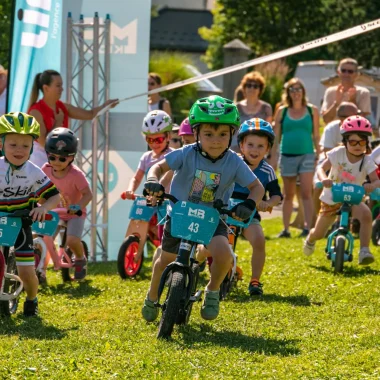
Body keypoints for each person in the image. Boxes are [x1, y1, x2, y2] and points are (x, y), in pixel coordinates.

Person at [141, 95, 264, 322]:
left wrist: (249, 203)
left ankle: (213, 290)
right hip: (179, 214)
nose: (215, 140)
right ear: (196, 134)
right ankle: (151, 295)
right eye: (208, 134)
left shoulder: (235, 161)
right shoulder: (187, 153)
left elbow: (256, 187)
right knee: (164, 260)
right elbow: (158, 167)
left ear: (231, 135)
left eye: (222, 134)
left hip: (213, 218)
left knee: (224, 255)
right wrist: (152, 180)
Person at [0, 112, 60, 316]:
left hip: (22, 223)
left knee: (27, 271)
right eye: (13, 144)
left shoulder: (34, 172)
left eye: (25, 146)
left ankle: (32, 299)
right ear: (2, 145)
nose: (19, 150)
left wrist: (43, 208)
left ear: (33, 147)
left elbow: (55, 196)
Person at [303, 115, 379, 265]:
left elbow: (375, 179)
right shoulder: (337, 153)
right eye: (353, 141)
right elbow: (321, 168)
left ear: (367, 142)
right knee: (319, 232)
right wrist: (323, 178)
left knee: (366, 216)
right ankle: (311, 238)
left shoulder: (367, 160)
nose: (358, 145)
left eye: (362, 141)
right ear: (345, 141)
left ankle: (364, 250)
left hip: (355, 197)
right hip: (332, 196)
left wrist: (372, 185)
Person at [232, 118, 282, 296]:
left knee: (259, 240)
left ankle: (255, 280)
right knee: (207, 245)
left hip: (249, 214)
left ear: (268, 149)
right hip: (224, 211)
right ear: (241, 145)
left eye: (261, 146)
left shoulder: (267, 170)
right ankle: (197, 261)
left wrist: (268, 203)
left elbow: (277, 195)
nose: (255, 150)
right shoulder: (231, 162)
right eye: (250, 144)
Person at [27, 69, 117, 167]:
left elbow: (90, 114)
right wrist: (58, 123)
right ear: (46, 88)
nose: (62, 89)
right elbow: (44, 143)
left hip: (59, 158)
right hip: (41, 160)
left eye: (61, 85)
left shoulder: (63, 107)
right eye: (58, 86)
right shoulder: (35, 111)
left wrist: (106, 105)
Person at [122, 110, 173, 266]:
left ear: (168, 137)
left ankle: (167, 253)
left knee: (165, 231)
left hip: (167, 201)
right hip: (149, 199)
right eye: (150, 139)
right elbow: (137, 177)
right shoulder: (146, 157)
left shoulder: (172, 156)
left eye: (158, 139)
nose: (154, 143)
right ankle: (136, 250)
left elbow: (167, 177)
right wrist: (130, 189)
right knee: (140, 221)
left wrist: (160, 192)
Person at [270, 78, 320, 238]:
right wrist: (273, 155)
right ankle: (286, 229)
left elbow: (316, 136)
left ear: (303, 92)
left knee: (306, 192)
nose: (296, 92)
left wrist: (319, 154)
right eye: (293, 89)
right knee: (288, 194)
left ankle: (307, 227)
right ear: (288, 92)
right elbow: (275, 136)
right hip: (287, 156)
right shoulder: (282, 111)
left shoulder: (312, 110)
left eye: (299, 89)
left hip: (307, 155)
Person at [42, 128, 93, 282]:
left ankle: (79, 258)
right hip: (54, 212)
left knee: (71, 240)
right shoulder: (45, 170)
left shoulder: (76, 175)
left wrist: (78, 206)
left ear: (71, 158)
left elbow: (88, 195)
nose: (56, 162)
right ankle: (41, 271)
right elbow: (40, 190)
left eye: (62, 159)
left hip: (73, 213)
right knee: (44, 239)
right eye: (53, 157)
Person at [313, 102, 359, 216]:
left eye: (357, 115)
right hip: (332, 164)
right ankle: (315, 220)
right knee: (318, 186)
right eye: (351, 116)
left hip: (354, 165)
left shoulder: (361, 129)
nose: (357, 118)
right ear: (340, 117)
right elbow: (327, 152)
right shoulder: (331, 128)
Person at [231, 71, 273, 152]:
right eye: (249, 85)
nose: (252, 88)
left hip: (257, 150)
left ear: (260, 89)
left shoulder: (266, 108)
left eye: (255, 86)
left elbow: (269, 132)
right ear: (244, 88)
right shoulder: (236, 107)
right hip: (236, 149)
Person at [321, 58, 371, 125]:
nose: (346, 74)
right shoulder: (330, 91)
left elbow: (360, 122)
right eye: (343, 70)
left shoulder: (364, 93)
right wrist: (336, 103)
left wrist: (352, 100)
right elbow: (326, 119)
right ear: (338, 72)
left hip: (353, 134)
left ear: (356, 75)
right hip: (333, 133)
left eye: (350, 71)